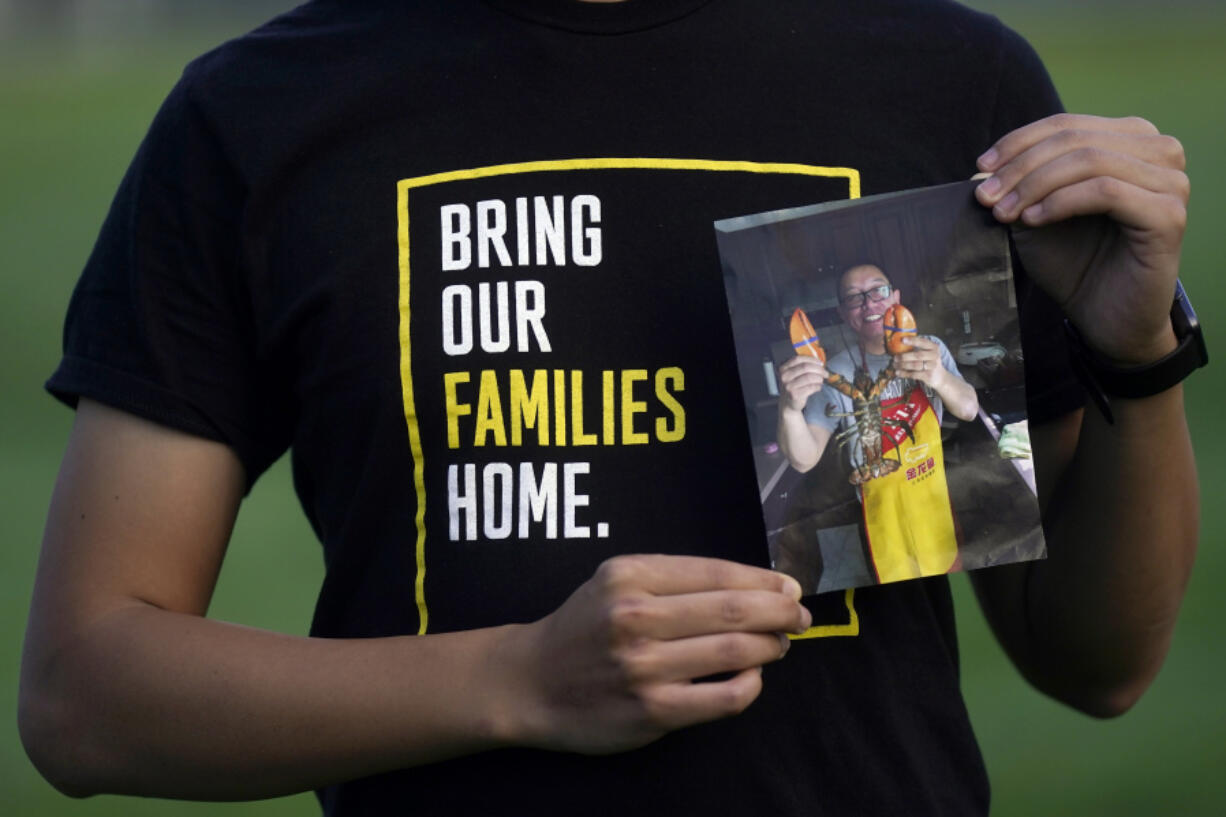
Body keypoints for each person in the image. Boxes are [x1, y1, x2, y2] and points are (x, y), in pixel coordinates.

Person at [18, 1, 1198, 815]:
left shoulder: (945, 79)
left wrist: (1134, 353)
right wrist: (519, 681)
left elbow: (1091, 661)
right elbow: (85, 695)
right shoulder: (260, 114)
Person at [777, 263, 979, 477]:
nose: (869, 303)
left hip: (934, 484)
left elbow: (969, 410)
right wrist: (789, 409)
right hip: (874, 494)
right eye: (854, 297)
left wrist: (941, 379)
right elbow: (804, 461)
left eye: (879, 290)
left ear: (895, 297)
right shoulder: (829, 372)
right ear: (843, 313)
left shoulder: (929, 350)